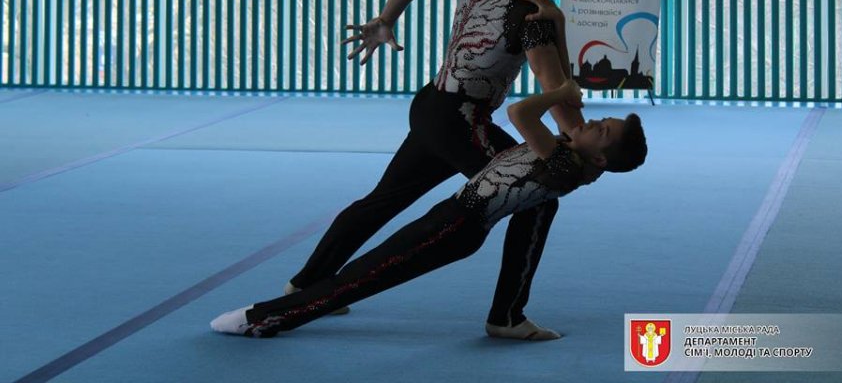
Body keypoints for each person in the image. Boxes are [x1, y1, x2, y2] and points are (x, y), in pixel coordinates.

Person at [281, 0, 584, 340]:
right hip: (461, 121)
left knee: (383, 200)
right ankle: (507, 316)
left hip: (431, 108)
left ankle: (306, 282)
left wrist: (386, 19)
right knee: (537, 196)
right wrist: (585, 145)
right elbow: (558, 93)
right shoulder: (533, 16)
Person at [211, 80, 647, 338]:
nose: (592, 122)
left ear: (599, 158)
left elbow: (519, 112)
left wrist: (559, 91)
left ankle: (262, 319)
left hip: (455, 228)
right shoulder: (572, 157)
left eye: (602, 130)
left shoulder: (562, 166)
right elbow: (567, 128)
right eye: (601, 119)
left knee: (364, 276)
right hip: (451, 219)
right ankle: (507, 316)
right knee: (363, 274)